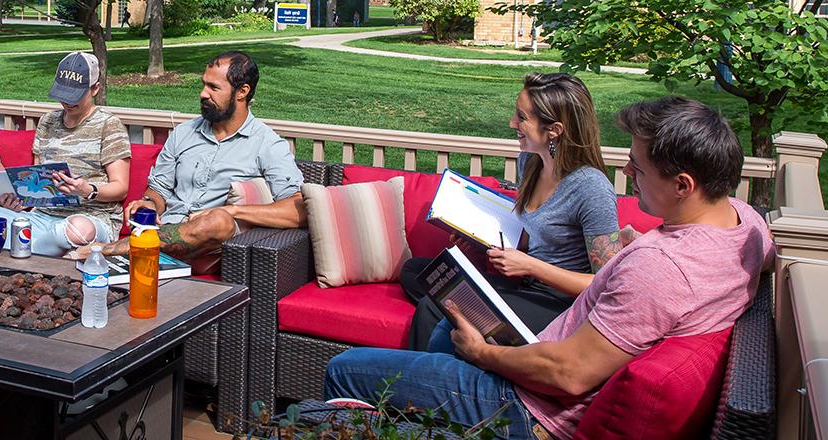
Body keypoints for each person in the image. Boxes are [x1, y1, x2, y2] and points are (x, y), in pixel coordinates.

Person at [322, 96, 776, 439]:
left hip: (530, 408)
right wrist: (640, 247)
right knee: (444, 317)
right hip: (540, 365)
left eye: (638, 168)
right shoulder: (746, 224)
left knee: (345, 368)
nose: (630, 173)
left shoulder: (660, 268)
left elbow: (568, 374)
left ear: (683, 184)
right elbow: (724, 264)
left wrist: (482, 354)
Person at [403, 73, 629, 351]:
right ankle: (488, 328)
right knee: (419, 273)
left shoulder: (591, 188)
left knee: (434, 305)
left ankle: (419, 387)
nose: (512, 123)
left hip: (558, 303)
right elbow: (535, 235)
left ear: (554, 129)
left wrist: (530, 265)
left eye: (522, 117)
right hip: (524, 284)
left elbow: (605, 283)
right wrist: (477, 239)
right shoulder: (530, 162)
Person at [70, 51, 306, 273]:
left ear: (242, 92)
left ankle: (112, 249)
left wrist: (232, 210)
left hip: (209, 249)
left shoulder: (267, 144)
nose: (203, 93)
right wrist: (149, 204)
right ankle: (138, 256)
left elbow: (299, 211)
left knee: (219, 221)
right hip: (165, 233)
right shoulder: (184, 133)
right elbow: (158, 191)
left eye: (214, 87)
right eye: (204, 84)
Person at [0, 52, 131, 257]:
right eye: (62, 93)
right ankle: (40, 249)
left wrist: (87, 189)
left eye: (75, 95)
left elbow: (120, 188)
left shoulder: (109, 125)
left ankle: (0, 242)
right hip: (41, 218)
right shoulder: (47, 122)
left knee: (78, 231)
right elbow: (38, 180)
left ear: (95, 88)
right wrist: (18, 199)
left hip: (90, 218)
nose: (67, 102)